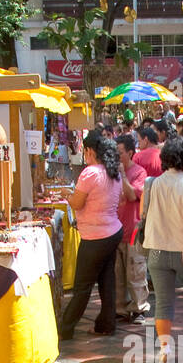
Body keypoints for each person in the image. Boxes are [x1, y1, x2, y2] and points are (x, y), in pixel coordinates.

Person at [59, 131, 125, 339]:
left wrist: (67, 195)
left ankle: (66, 327)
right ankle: (106, 324)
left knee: (83, 286)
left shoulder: (90, 173)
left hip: (95, 237)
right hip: (112, 231)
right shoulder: (112, 172)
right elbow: (120, 199)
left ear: (90, 151)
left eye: (85, 150)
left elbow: (77, 203)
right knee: (106, 281)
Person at [143, 136, 183, 363]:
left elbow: (144, 214)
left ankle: (165, 348)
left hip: (157, 250)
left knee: (163, 302)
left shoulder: (153, 183)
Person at [113, 133, 150, 323]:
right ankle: (120, 308)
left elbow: (131, 195)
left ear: (129, 152)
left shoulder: (139, 173)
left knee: (136, 271)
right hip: (116, 230)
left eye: (120, 153)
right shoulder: (111, 172)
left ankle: (138, 308)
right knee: (118, 273)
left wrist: (122, 175)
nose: (117, 156)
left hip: (133, 231)